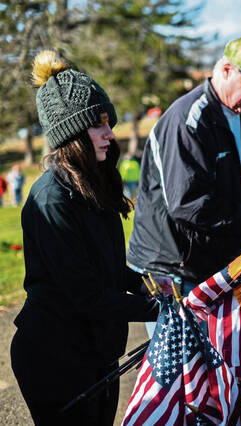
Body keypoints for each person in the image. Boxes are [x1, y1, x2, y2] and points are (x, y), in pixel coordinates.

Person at [11, 50, 158, 425]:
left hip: (96, 353)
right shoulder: (51, 200)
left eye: (109, 122)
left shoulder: (93, 185)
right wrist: (157, 311)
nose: (110, 133)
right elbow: (86, 294)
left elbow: (104, 265)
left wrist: (143, 285)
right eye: (99, 124)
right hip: (54, 358)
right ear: (73, 133)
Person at [127, 35, 241, 329]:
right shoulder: (188, 121)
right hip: (174, 268)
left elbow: (234, 179)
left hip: (211, 263)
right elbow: (188, 203)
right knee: (182, 370)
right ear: (226, 69)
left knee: (218, 362)